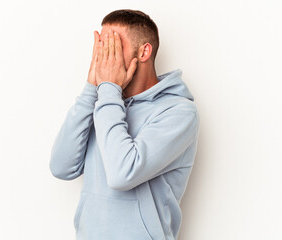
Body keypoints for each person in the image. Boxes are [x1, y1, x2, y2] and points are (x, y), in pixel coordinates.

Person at [49, 9, 200, 240]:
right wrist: (92, 90)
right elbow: (61, 166)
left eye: (114, 46)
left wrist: (108, 89)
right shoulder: (104, 103)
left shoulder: (179, 113)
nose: (106, 57)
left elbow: (122, 174)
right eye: (102, 46)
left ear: (144, 52)